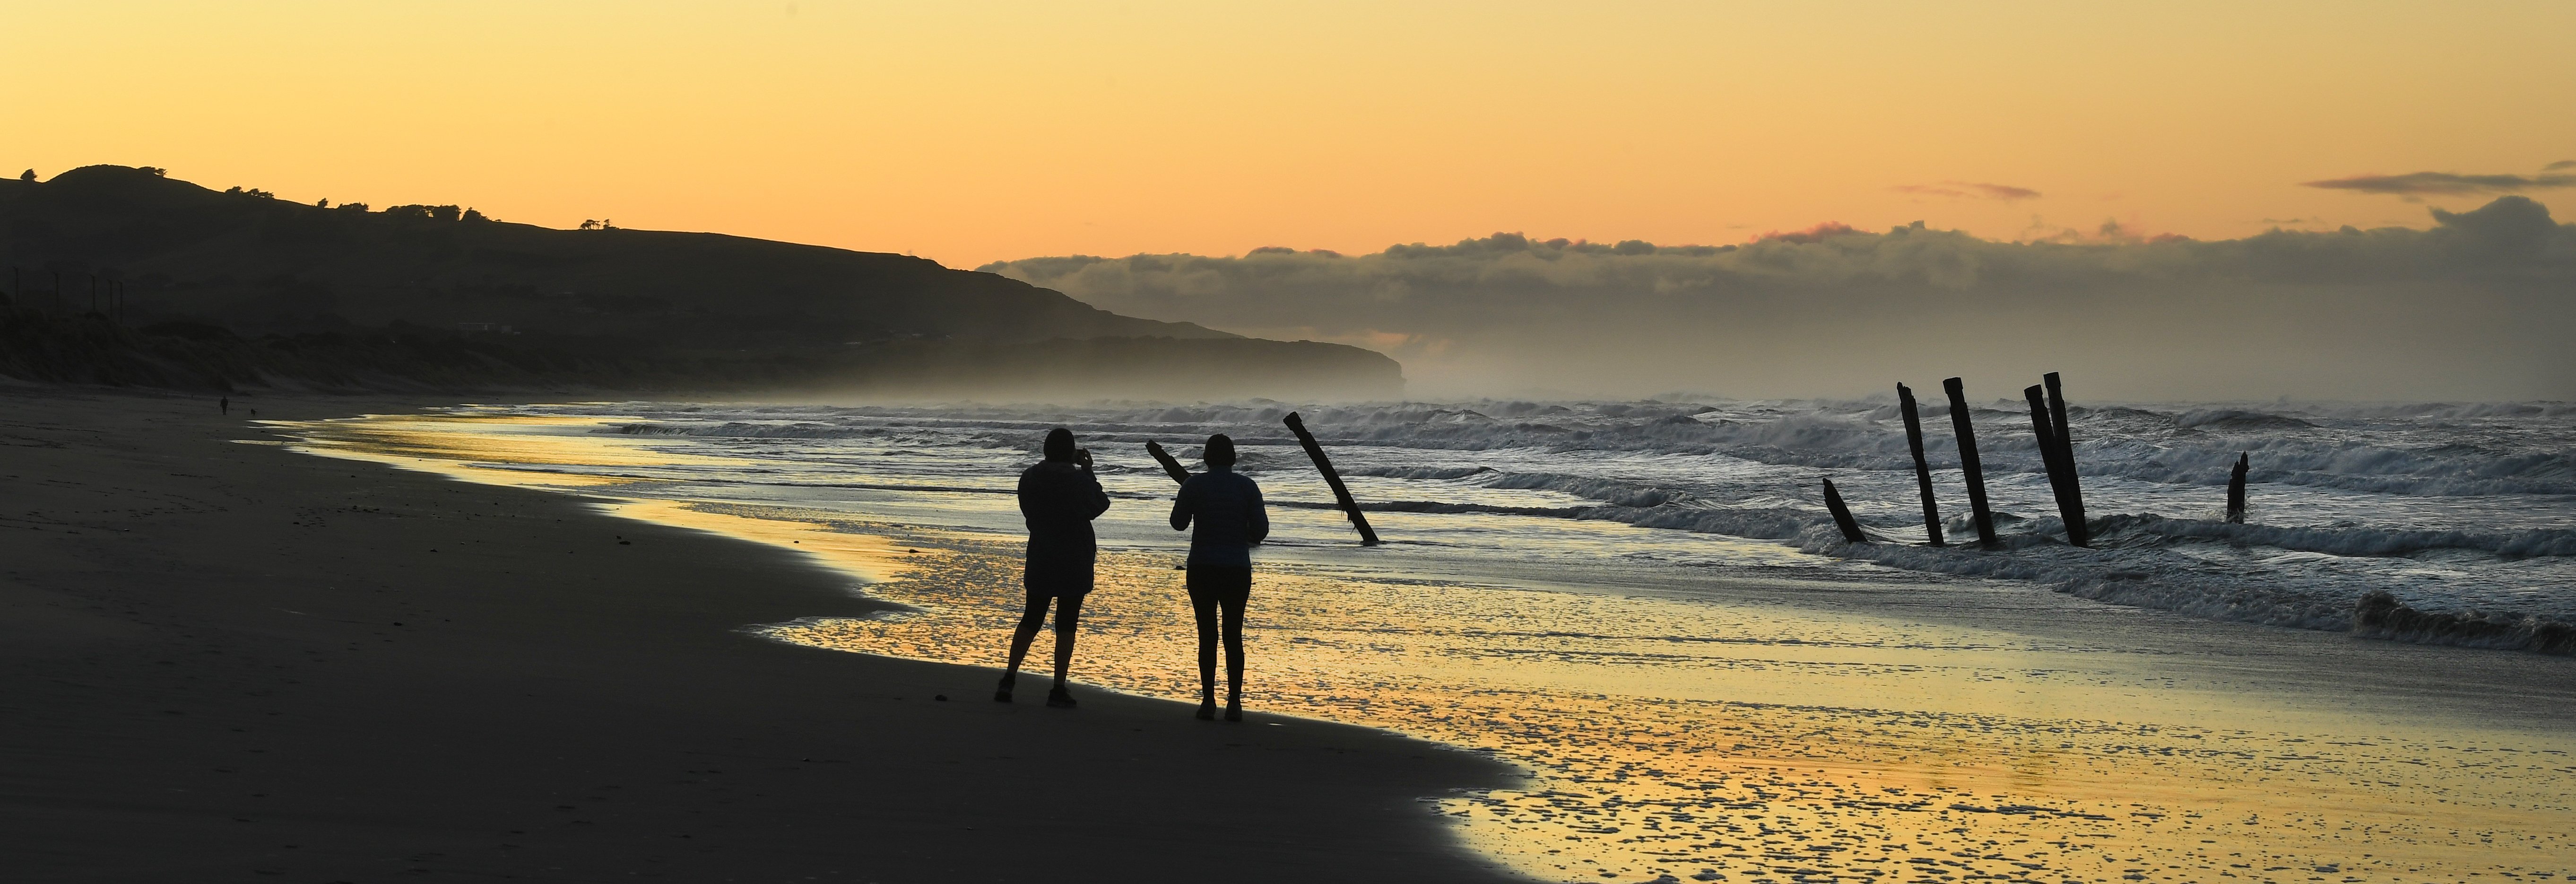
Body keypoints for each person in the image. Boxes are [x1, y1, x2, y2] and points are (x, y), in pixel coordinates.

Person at [999, 428, 1110, 708]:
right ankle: (1058, 687)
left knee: (1031, 618)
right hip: (1075, 555)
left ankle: (1009, 679)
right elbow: (1100, 504)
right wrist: (1087, 472)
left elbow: (1028, 510)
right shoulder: (1078, 481)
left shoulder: (1030, 477)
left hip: (1041, 552)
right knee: (1067, 622)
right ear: (1071, 452)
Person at [1168, 434, 1268, 721]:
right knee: (1233, 635)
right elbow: (1261, 530)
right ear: (1234, 458)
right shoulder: (1248, 487)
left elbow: (1178, 523)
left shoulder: (1194, 485)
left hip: (1202, 566)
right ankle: (1235, 703)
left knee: (1207, 634)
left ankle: (1208, 700)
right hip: (1237, 567)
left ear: (1206, 457)